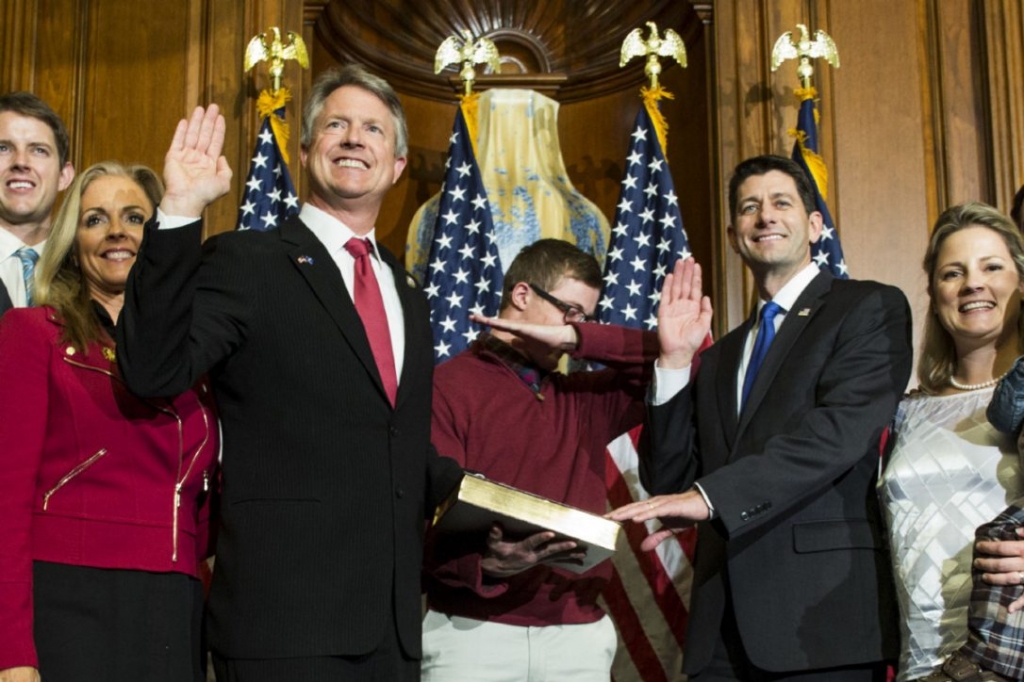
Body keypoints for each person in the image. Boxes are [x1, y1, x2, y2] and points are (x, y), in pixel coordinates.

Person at [116, 64, 464, 682]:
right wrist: (178, 211)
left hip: (392, 633)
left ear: (398, 163)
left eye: (374, 130)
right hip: (283, 628)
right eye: (336, 125)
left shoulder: (408, 292)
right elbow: (151, 370)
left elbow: (395, 446)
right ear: (305, 151)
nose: (355, 139)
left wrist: (493, 511)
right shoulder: (248, 262)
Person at [608, 154, 913, 681]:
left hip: (821, 628)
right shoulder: (719, 356)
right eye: (750, 208)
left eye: (780, 203)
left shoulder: (868, 308)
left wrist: (709, 498)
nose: (764, 217)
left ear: (815, 225)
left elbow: (836, 436)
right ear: (733, 235)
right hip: (718, 632)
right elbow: (671, 482)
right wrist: (676, 364)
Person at [0, 162, 218, 682]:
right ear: (72, 242)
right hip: (71, 599)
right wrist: (12, 652)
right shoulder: (34, 333)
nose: (117, 231)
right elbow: (5, 503)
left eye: (135, 217)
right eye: (95, 218)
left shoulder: (200, 356)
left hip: (176, 601)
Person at [422, 238, 664, 681]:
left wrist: (577, 336)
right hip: (472, 635)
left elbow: (678, 358)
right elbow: (423, 515)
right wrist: (485, 565)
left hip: (578, 637)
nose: (575, 331)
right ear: (521, 295)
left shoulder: (582, 398)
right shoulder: (445, 386)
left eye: (585, 321)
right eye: (570, 313)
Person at [877, 202, 1024, 682]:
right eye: (952, 273)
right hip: (920, 662)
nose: (972, 284)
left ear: (1021, 281)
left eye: (992, 267)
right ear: (935, 293)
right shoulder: (900, 411)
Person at [0, 92, 74, 314]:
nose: (21, 162)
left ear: (64, 176)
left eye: (39, 150)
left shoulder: (91, 272)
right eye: (3, 148)